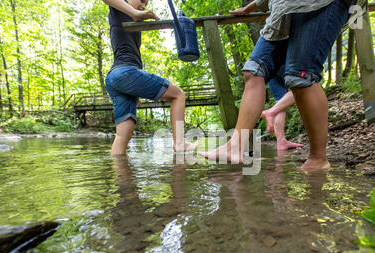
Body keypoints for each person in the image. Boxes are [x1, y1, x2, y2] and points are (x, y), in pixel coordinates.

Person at [199, 0, 353, 171]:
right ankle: (234, 146)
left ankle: (318, 158)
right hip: (281, 10)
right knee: (253, 72)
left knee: (300, 75)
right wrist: (250, 7)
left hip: (319, 5)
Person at [102, 0, 198, 155]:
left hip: (116, 78)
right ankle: (180, 143)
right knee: (178, 95)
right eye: (142, 0)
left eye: (146, 3)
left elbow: (133, 59)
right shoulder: (119, 10)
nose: (144, 6)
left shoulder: (129, 19)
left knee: (122, 136)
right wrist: (135, 13)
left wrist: (135, 90)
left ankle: (121, 177)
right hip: (124, 73)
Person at [263, 71, 303, 151]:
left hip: (272, 66)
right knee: (305, 86)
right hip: (288, 61)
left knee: (280, 100)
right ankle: (271, 112)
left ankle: (281, 142)